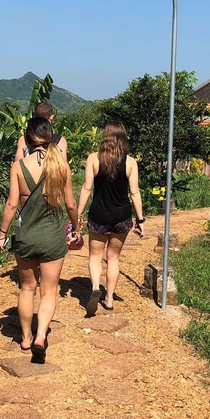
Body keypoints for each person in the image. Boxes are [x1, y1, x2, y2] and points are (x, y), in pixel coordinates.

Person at [0, 117, 81, 363]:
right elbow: (71, 204)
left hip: (26, 237)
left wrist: (2, 235)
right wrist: (76, 228)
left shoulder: (19, 167)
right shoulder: (61, 167)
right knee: (49, 291)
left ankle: (25, 337)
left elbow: (12, 205)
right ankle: (41, 336)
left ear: (29, 139)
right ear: (49, 136)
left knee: (27, 288)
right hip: (53, 238)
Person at [77, 121, 144, 316]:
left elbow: (87, 188)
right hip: (122, 216)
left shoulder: (93, 159)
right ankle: (109, 298)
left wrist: (78, 214)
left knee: (95, 256)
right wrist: (140, 220)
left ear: (104, 137)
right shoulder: (130, 162)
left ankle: (96, 287)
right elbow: (135, 193)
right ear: (123, 138)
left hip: (98, 214)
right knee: (113, 258)